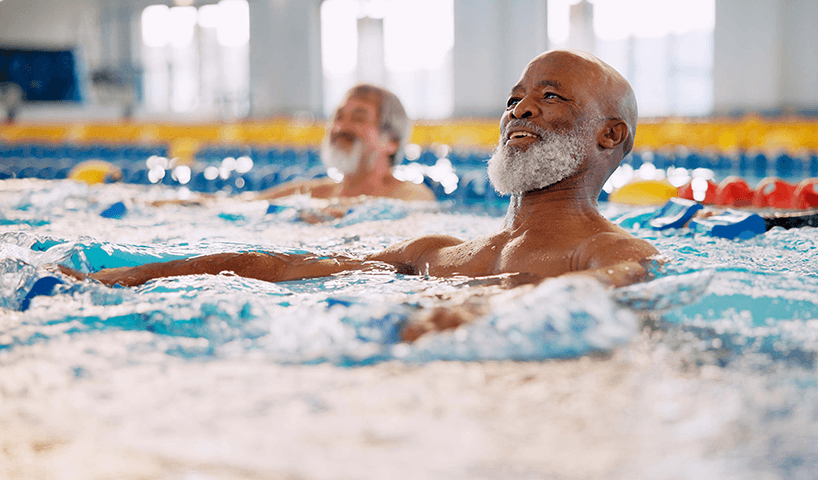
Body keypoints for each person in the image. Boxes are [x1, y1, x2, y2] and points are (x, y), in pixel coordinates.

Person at [57, 50, 660, 338]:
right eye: (514, 98)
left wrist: (482, 309)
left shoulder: (608, 250)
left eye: (550, 96)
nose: (520, 108)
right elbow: (287, 266)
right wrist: (141, 274)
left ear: (611, 135)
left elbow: (611, 286)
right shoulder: (440, 251)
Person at [254, 84, 435, 202]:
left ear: (392, 141)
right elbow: (239, 206)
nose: (340, 127)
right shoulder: (317, 193)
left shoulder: (409, 196)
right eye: (338, 117)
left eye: (358, 118)